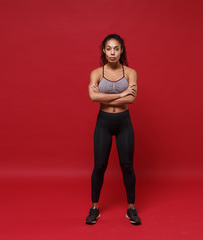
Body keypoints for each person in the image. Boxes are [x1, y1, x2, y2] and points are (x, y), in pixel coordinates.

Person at [85, 34, 141, 225]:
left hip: (124, 122)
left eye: (116, 48)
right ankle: (94, 208)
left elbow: (131, 99)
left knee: (127, 166)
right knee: (99, 166)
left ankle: (131, 208)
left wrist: (103, 95)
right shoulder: (97, 73)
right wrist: (122, 93)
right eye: (109, 48)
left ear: (121, 50)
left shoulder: (131, 72)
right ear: (104, 50)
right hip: (104, 123)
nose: (112, 52)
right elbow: (92, 98)